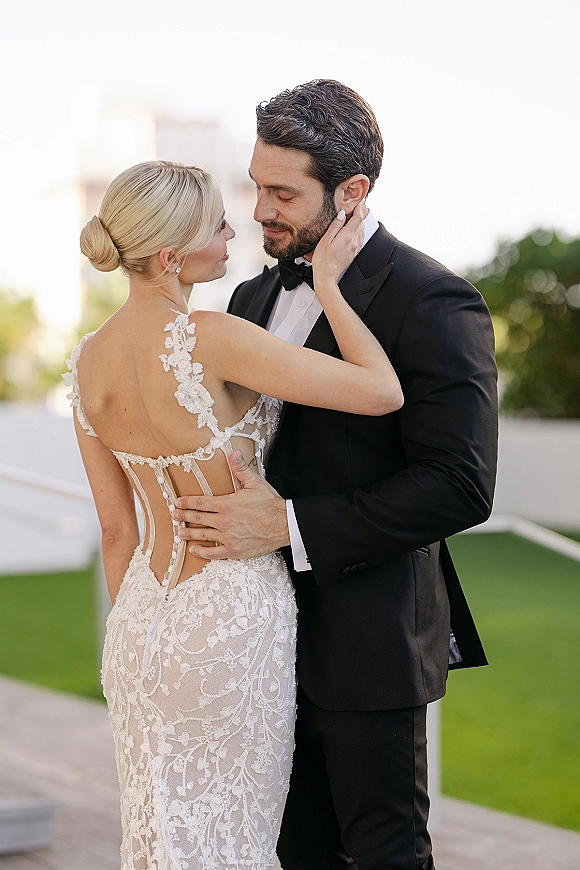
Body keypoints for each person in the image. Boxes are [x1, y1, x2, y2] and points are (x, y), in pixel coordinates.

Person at [172, 80, 499, 870]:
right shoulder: (250, 297)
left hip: (369, 647)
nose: (260, 210)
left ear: (352, 192)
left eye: (284, 192)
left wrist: (288, 525)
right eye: (256, 184)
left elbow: (461, 483)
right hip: (257, 642)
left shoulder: (435, 301)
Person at [65, 159, 403, 870]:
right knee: (233, 840)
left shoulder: (87, 362)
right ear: (170, 255)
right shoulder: (208, 337)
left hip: (138, 625)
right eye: (216, 224)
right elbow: (380, 392)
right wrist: (331, 289)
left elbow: (117, 530)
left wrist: (144, 636)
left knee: (159, 836)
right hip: (228, 614)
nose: (233, 232)